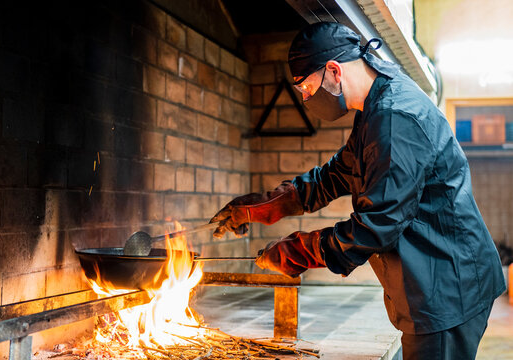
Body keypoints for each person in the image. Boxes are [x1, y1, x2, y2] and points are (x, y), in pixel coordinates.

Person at [209, 22, 506, 359]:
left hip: (447, 287)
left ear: (333, 70)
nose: (306, 98)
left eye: (306, 87)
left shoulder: (395, 117)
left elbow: (378, 225)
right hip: (435, 276)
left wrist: (302, 249)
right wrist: (268, 204)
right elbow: (338, 173)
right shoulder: (376, 107)